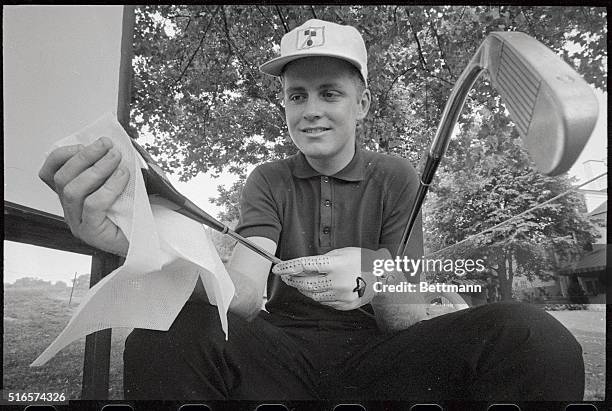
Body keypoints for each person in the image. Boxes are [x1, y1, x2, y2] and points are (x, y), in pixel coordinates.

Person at [39, 19, 585, 401]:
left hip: (383, 360)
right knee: (166, 336)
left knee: (534, 337)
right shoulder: (268, 179)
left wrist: (374, 272)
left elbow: (404, 319)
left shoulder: (396, 176)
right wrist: (142, 243)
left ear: (362, 103)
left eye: (330, 93)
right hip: (280, 356)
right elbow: (246, 295)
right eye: (297, 96)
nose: (312, 111)